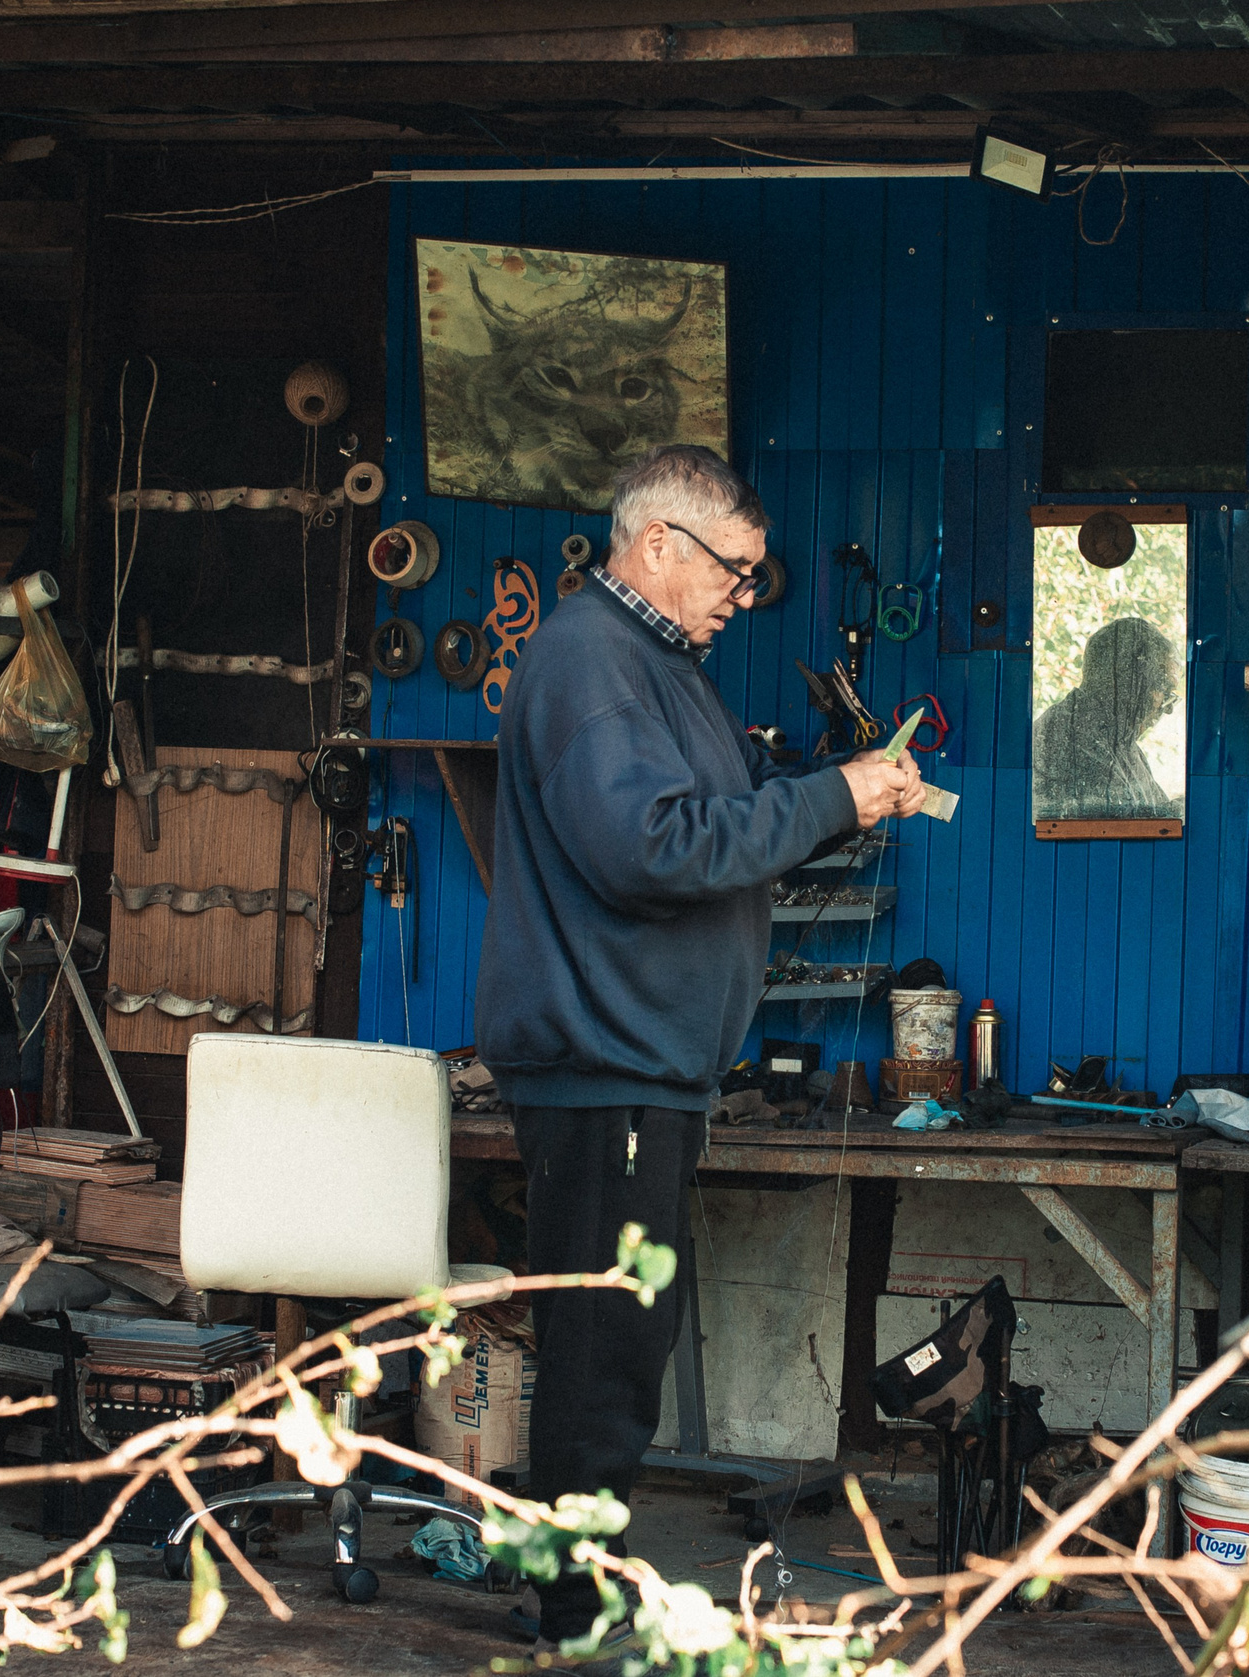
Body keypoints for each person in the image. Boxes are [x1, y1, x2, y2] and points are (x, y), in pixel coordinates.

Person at [475, 444, 923, 1654]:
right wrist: (829, 798)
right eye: (735, 570)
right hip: (605, 1054)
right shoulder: (590, 658)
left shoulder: (657, 666)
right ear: (659, 543)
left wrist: (833, 792)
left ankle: (584, 1585)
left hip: (639, 1059)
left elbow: (718, 818)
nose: (743, 593)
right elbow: (654, 848)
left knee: (619, 1337)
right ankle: (575, 1608)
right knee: (604, 1349)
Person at [1032, 615, 1182, 820]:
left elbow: (1155, 813)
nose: (1167, 708)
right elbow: (1126, 825)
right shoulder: (1072, 737)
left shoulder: (1119, 740)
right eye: (1163, 689)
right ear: (1127, 680)